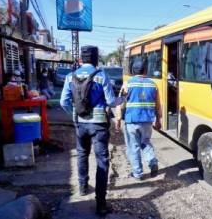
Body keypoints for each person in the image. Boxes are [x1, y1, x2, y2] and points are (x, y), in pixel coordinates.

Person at [60, 46, 123, 216]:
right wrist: (122, 99)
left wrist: (75, 114)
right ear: (96, 60)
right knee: (102, 160)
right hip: (99, 124)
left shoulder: (69, 77)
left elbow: (63, 102)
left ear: (81, 59)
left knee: (82, 154)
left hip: (80, 124)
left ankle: (82, 187)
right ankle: (101, 204)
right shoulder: (101, 76)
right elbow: (110, 101)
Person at [116, 57, 162, 180]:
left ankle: (138, 173)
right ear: (145, 70)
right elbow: (158, 105)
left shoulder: (128, 84)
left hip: (132, 120)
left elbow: (121, 102)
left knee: (133, 146)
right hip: (147, 120)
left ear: (133, 70)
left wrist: (118, 118)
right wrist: (158, 119)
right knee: (145, 142)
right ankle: (152, 162)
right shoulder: (153, 85)